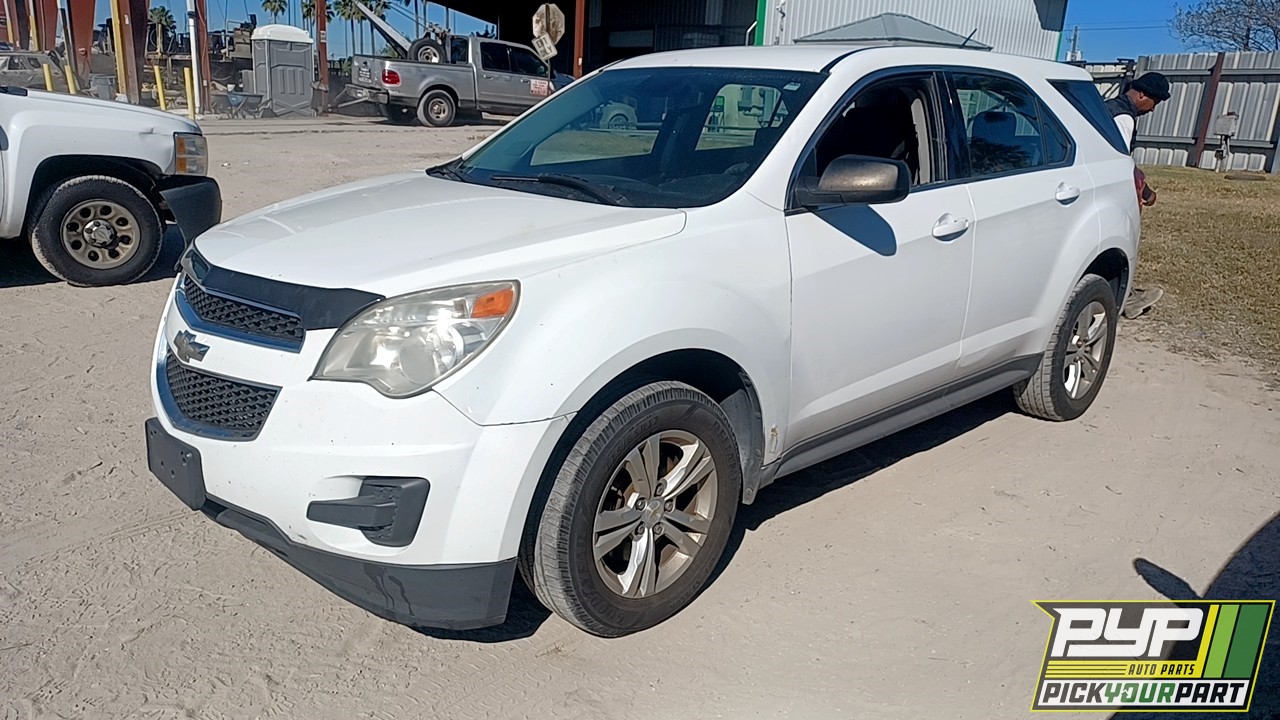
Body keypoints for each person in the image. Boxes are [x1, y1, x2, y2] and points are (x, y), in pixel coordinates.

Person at [1106, 71, 1170, 319]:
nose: (1153, 109)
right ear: (1143, 94)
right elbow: (1120, 163)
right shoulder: (1124, 118)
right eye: (1155, 102)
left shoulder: (1109, 107)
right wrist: (1145, 191)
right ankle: (1126, 298)